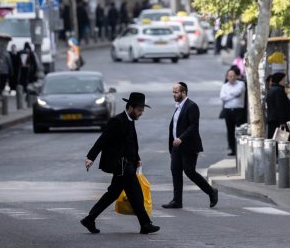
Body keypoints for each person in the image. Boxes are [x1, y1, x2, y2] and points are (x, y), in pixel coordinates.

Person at [81, 92, 160, 235]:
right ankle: (145, 224)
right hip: (121, 165)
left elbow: (129, 143)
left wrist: (137, 157)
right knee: (136, 193)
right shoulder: (117, 121)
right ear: (131, 107)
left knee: (113, 193)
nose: (141, 113)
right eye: (139, 110)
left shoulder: (130, 120)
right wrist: (91, 157)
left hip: (127, 163)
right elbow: (103, 139)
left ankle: (90, 218)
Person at [162, 82, 218, 209]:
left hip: (189, 146)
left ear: (184, 92)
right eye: (173, 92)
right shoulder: (178, 107)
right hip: (177, 147)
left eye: (176, 92)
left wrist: (181, 138)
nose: (173, 94)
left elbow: (193, 126)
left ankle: (211, 191)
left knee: (189, 171)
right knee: (175, 171)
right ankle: (177, 201)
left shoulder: (192, 106)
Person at [220, 68, 246, 156]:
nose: (232, 78)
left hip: (238, 110)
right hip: (228, 111)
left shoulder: (241, 84)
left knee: (239, 130)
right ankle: (233, 149)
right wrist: (232, 95)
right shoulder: (224, 86)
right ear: (227, 77)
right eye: (230, 76)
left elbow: (238, 92)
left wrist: (229, 95)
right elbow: (222, 97)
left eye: (233, 76)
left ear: (236, 76)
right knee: (230, 131)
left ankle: (241, 148)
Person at [266, 72, 290, 140]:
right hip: (278, 121)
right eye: (283, 80)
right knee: (280, 141)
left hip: (272, 119)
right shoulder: (279, 90)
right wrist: (282, 122)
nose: (285, 82)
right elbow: (280, 107)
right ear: (279, 81)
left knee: (273, 139)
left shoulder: (271, 90)